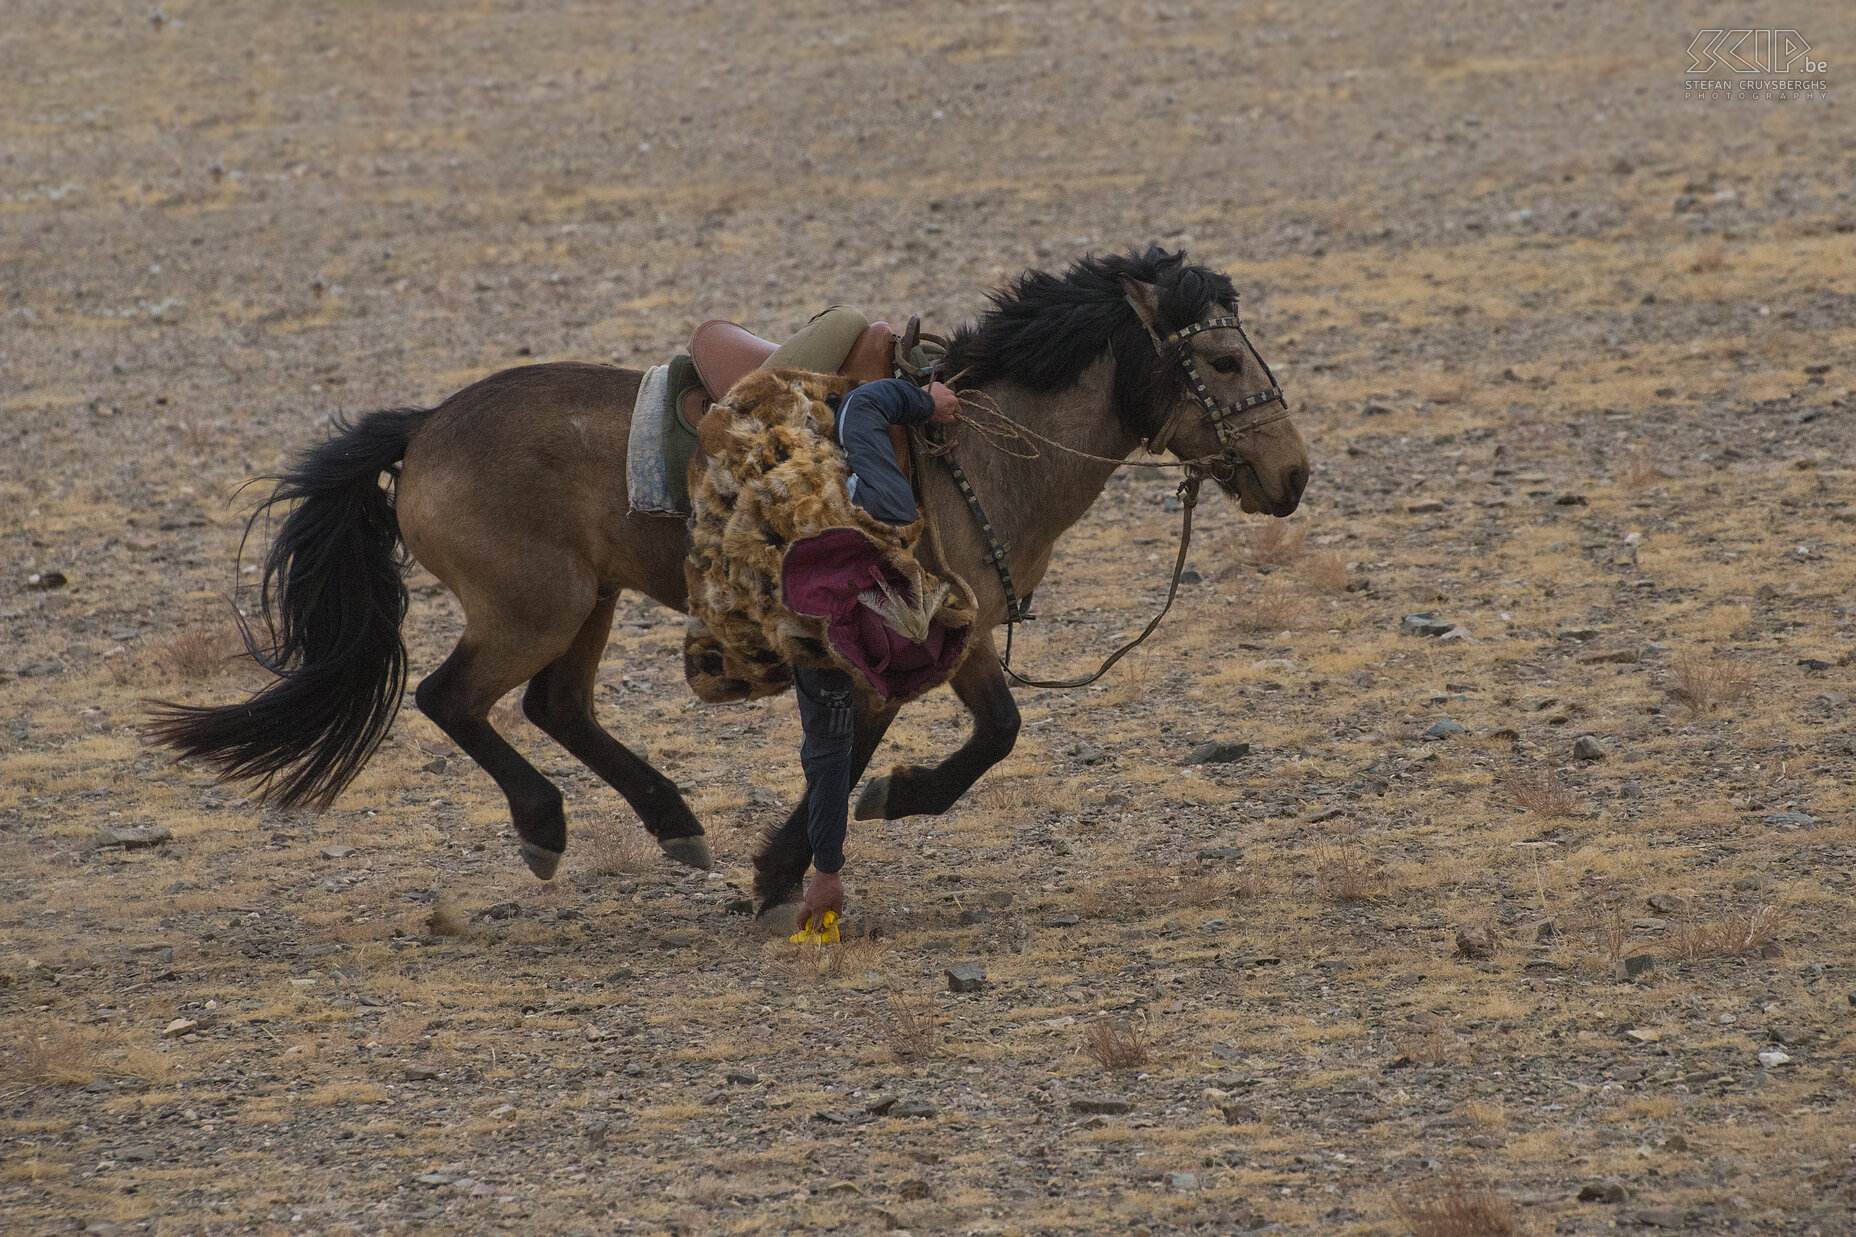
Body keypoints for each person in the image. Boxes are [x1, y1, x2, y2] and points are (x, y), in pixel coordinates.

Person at [793, 375, 961, 933]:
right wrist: (826, 870)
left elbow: (865, 404)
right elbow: (827, 756)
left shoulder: (889, 515)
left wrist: (924, 403)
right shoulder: (816, 642)